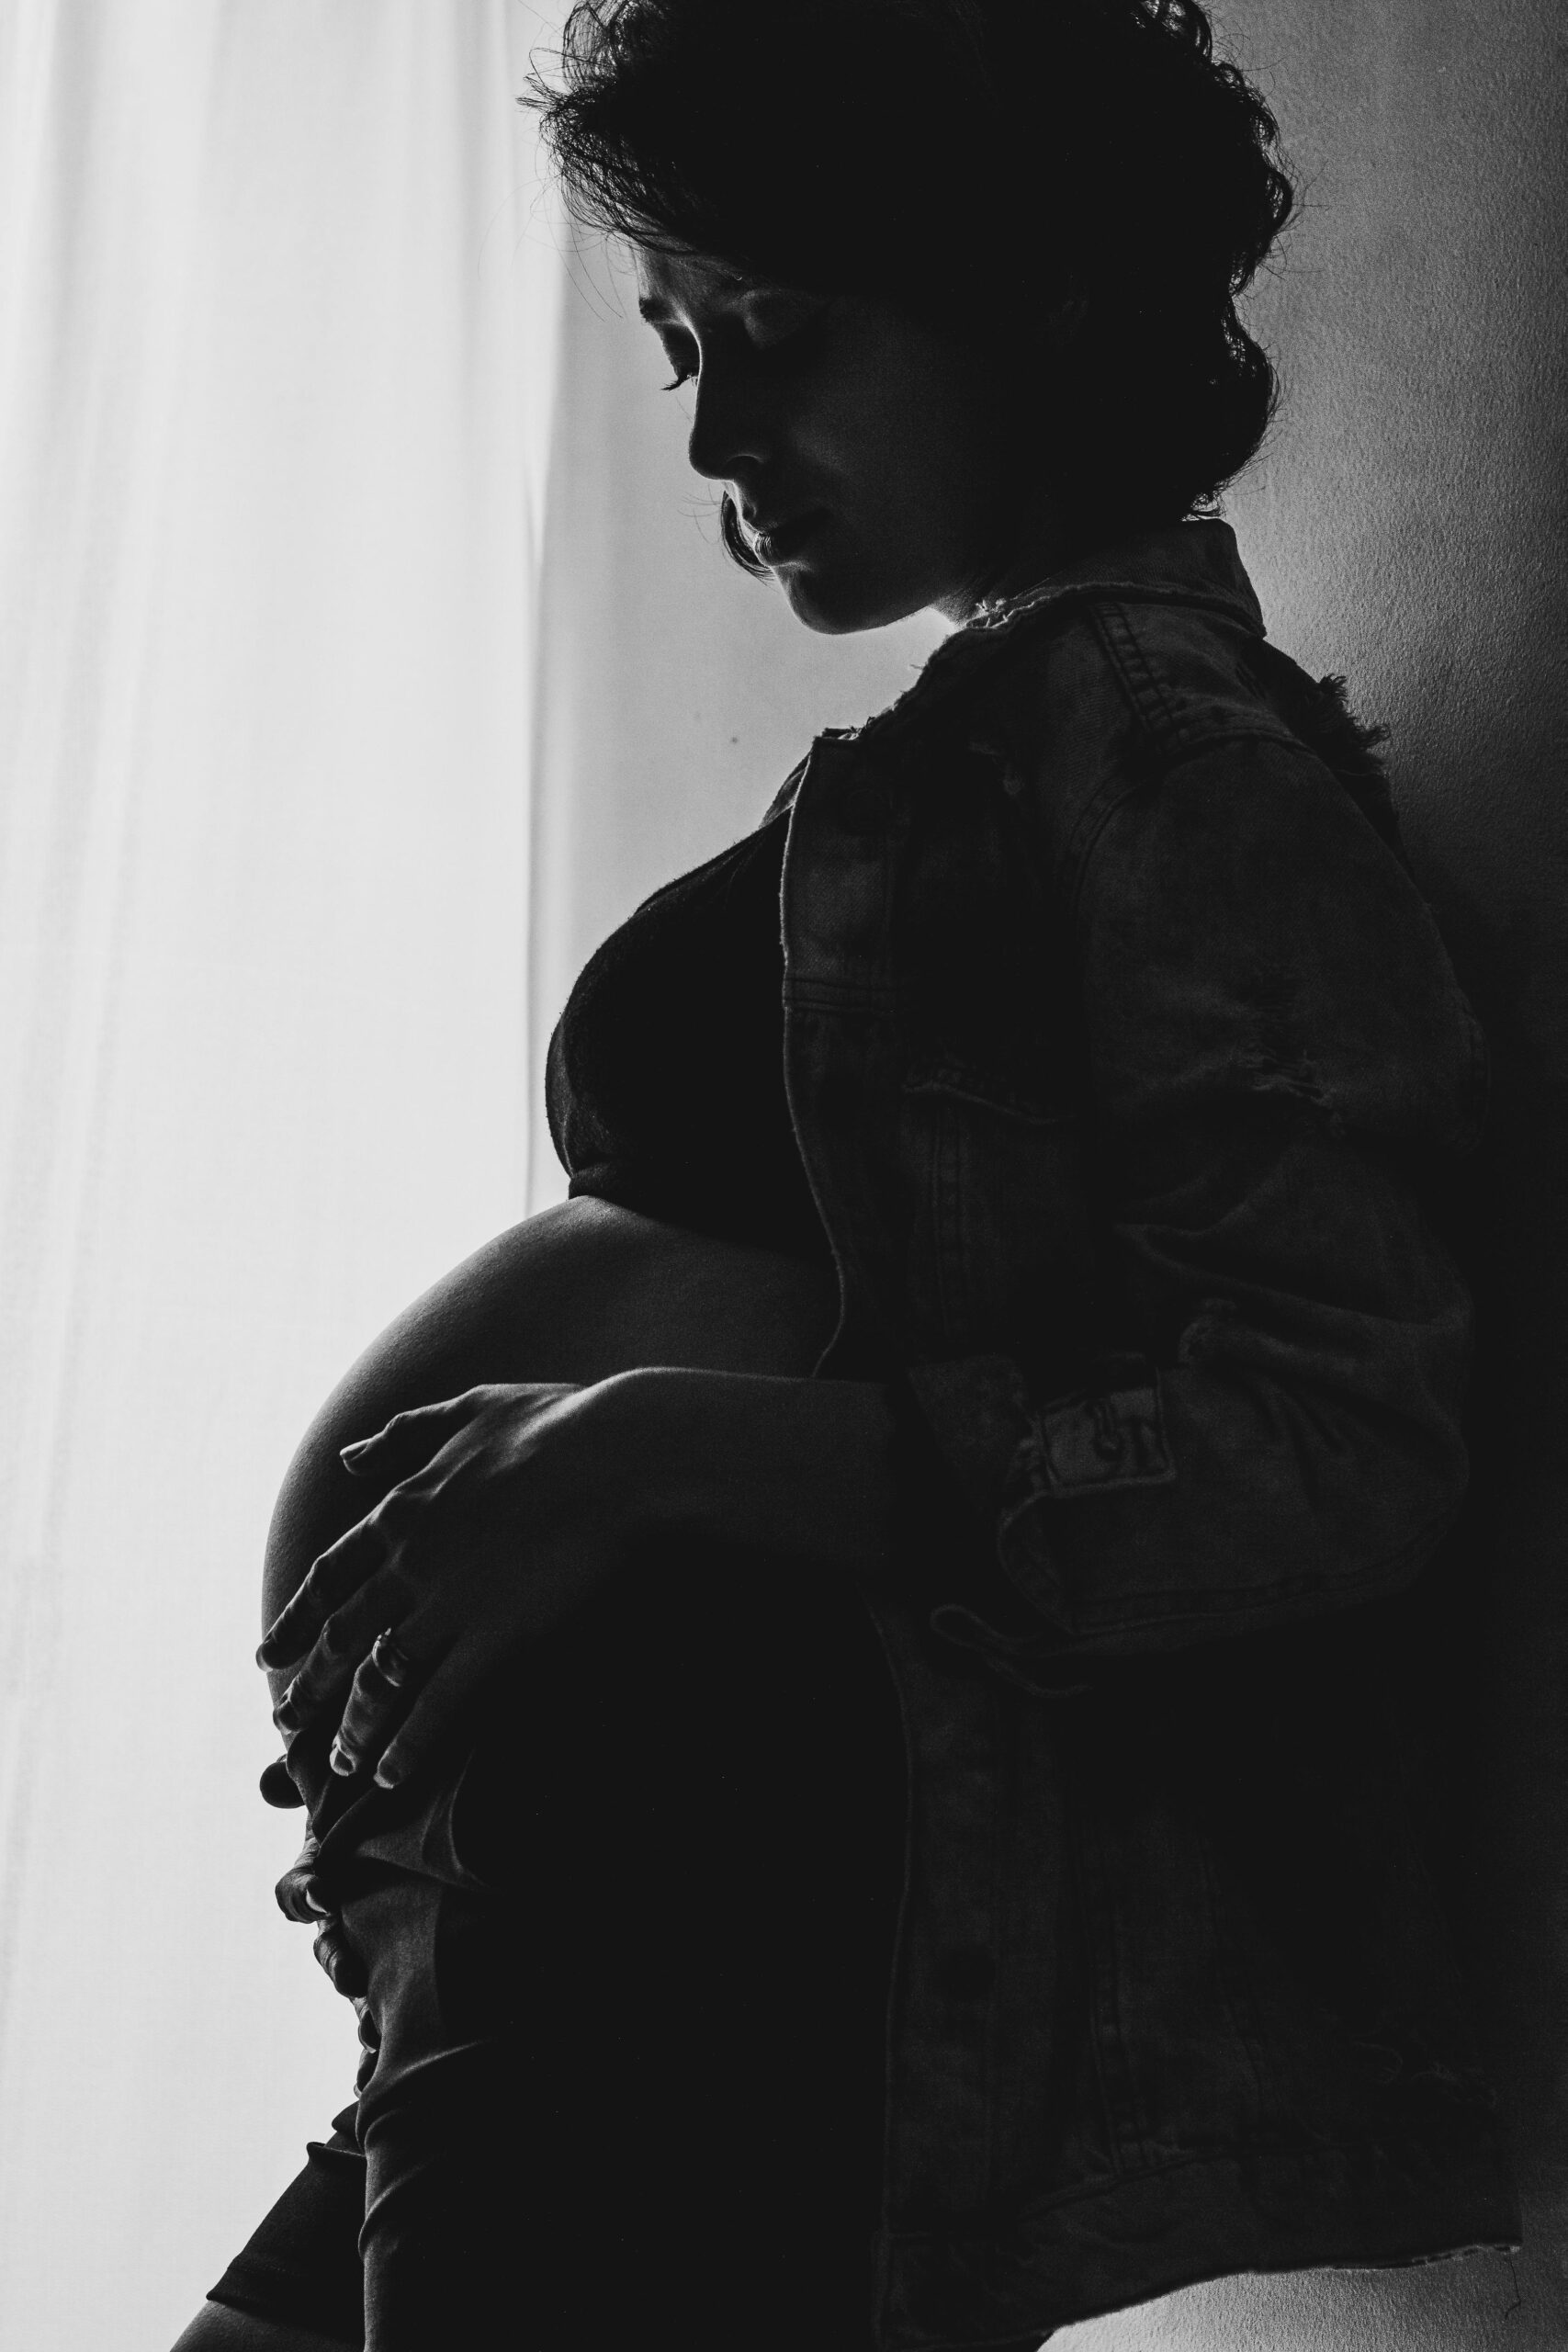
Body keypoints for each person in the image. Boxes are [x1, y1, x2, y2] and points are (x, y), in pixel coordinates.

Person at [175, 3, 1520, 2346]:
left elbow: (1335, 1442)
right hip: (534, 1908)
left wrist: (659, 1449)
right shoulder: (976, 750)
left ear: (1030, 297)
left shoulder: (1162, 756)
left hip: (715, 1942)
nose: (710, 430)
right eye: (679, 340)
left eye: (775, 336)